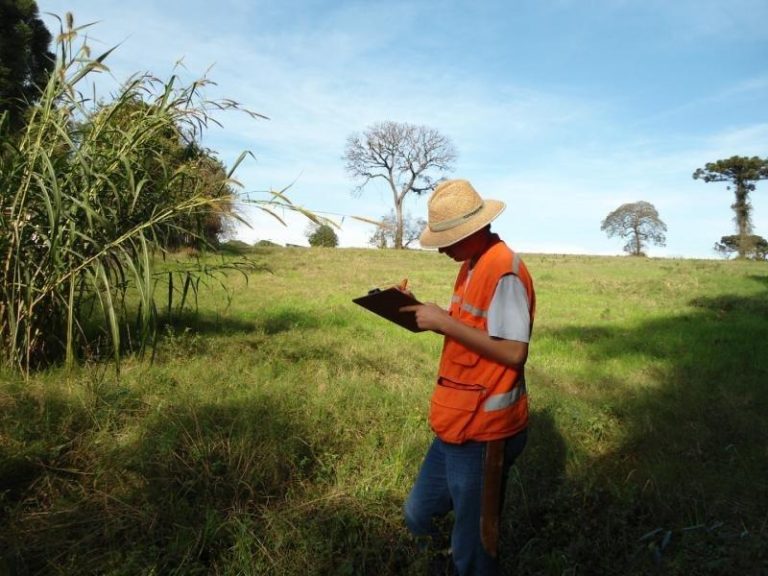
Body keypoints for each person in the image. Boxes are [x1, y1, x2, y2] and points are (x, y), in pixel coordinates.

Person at [400, 179, 535, 576]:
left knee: (473, 546)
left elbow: (514, 352)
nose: (443, 249)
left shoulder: (504, 272)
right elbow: (475, 329)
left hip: (485, 431)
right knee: (418, 513)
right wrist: (424, 313)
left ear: (474, 230)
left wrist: (444, 323)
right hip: (456, 421)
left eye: (448, 241)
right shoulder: (472, 263)